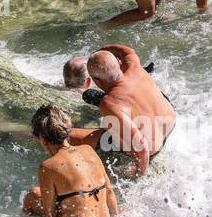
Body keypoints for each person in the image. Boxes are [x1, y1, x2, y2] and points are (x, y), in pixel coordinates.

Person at [67, 45, 177, 176]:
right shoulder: (133, 64)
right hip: (170, 123)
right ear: (118, 64)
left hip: (152, 148)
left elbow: (141, 146)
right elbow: (127, 51)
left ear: (97, 81)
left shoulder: (109, 104)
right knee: (90, 95)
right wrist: (101, 51)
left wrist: (140, 172)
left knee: (95, 136)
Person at [22, 103, 118, 217]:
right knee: (34, 193)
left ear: (42, 139)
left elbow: (50, 216)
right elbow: (109, 192)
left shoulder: (48, 166)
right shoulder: (88, 150)